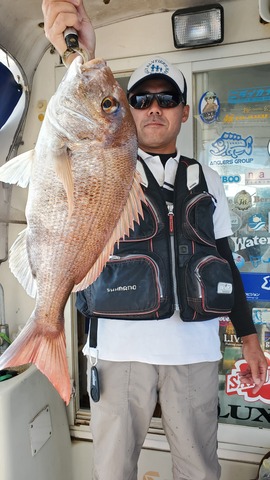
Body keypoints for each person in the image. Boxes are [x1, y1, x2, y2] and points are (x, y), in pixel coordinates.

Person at [42, 2, 268, 479]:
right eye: (141, 99)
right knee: (114, 469)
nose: (154, 108)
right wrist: (77, 51)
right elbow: (83, 107)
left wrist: (249, 340)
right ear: (127, 109)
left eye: (167, 99)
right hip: (120, 350)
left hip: (195, 352)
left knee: (201, 470)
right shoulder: (110, 165)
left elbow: (224, 257)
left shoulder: (207, 178)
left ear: (185, 112)